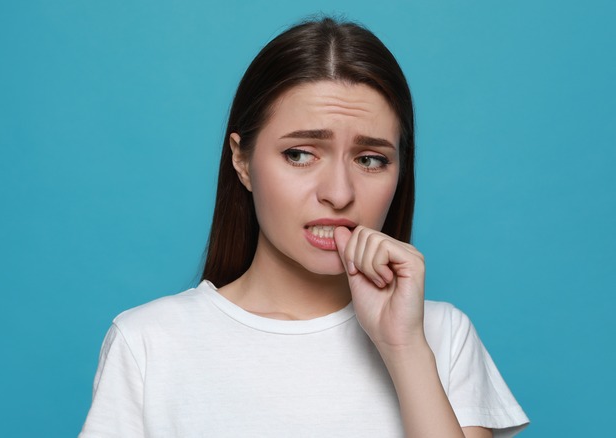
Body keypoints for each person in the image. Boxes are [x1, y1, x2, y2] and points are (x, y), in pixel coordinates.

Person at [79, 16, 529, 437]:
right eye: (300, 154)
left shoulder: (440, 337)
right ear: (242, 160)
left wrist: (403, 349)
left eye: (370, 159)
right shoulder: (148, 343)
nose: (338, 193)